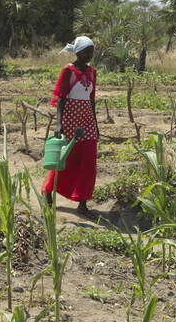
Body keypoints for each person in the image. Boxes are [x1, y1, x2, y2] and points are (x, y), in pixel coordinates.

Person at [42, 36, 99, 217]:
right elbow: (61, 98)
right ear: (78, 52)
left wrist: (96, 125)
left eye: (92, 51)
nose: (90, 54)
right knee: (65, 161)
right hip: (70, 121)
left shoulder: (92, 72)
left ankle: (82, 203)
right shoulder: (68, 70)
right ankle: (47, 191)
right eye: (87, 51)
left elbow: (92, 101)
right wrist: (59, 124)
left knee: (89, 164)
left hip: (88, 122)